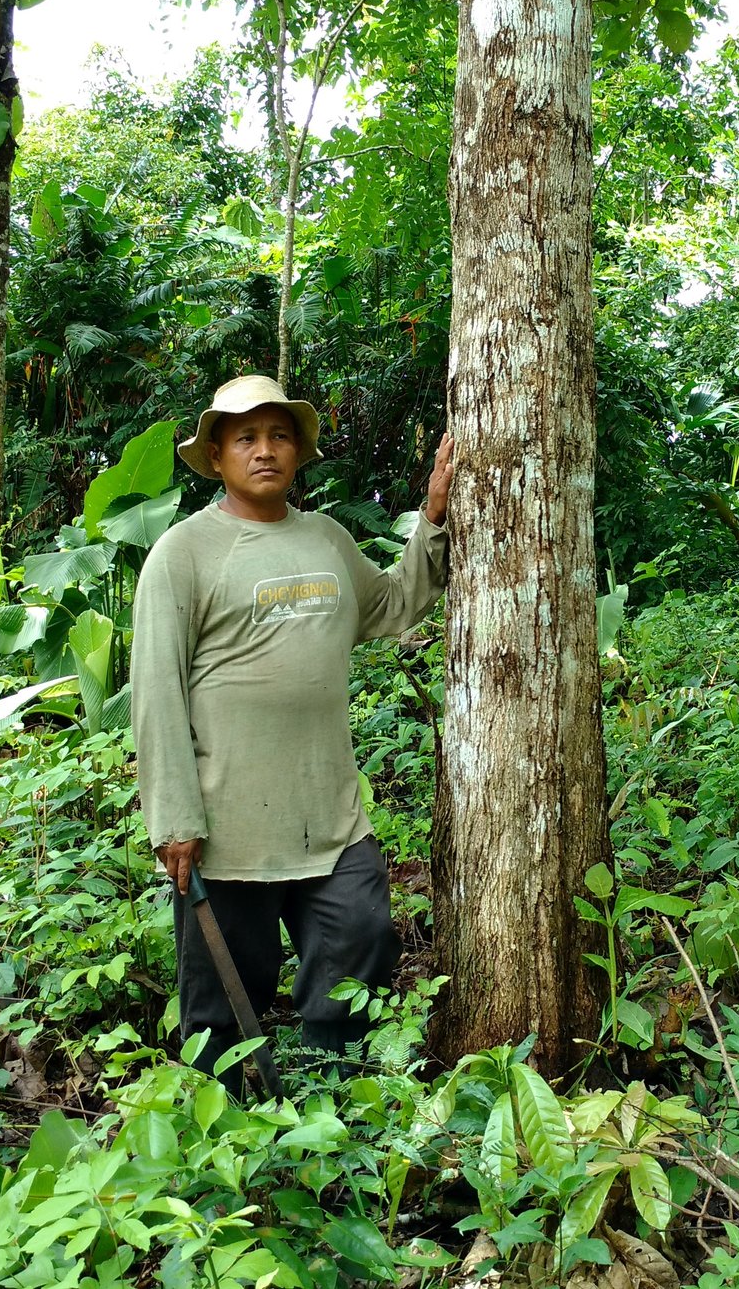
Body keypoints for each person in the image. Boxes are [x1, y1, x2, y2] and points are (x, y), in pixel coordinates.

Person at [129, 373, 454, 1076]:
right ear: (216, 455)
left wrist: (432, 519)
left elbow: (394, 606)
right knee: (223, 1005)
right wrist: (173, 816)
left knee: (363, 942)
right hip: (226, 829)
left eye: (279, 435)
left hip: (330, 818)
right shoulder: (183, 555)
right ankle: (230, 1138)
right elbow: (154, 690)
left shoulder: (327, 541)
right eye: (246, 437)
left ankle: (328, 1096)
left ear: (298, 451)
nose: (265, 450)